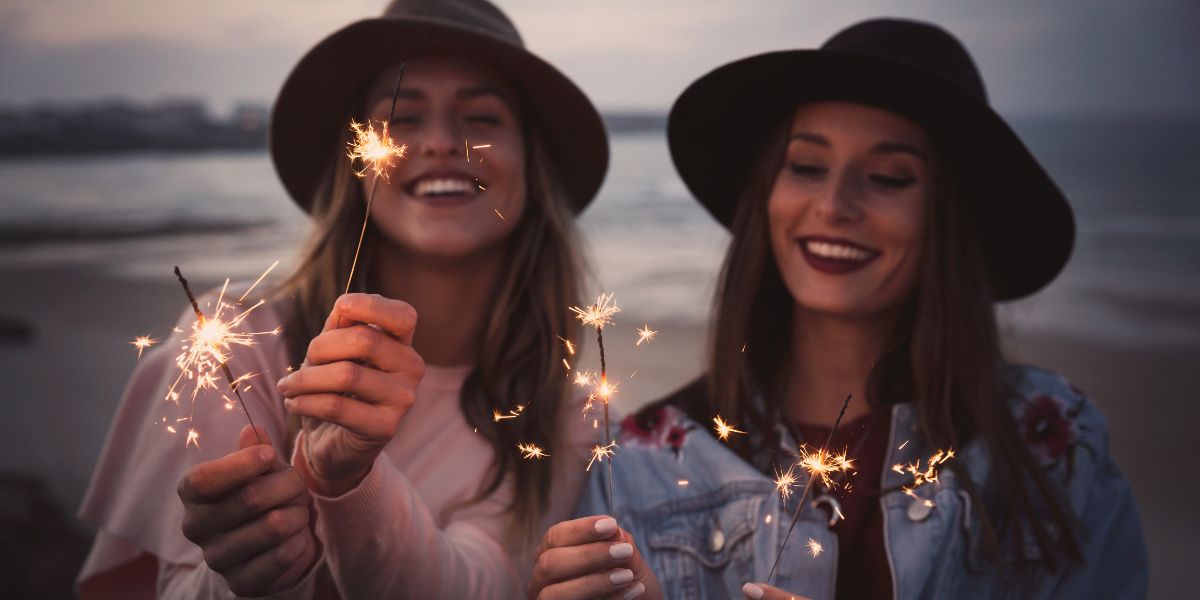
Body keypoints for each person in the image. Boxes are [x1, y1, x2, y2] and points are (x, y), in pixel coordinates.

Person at [529, 18, 1147, 600]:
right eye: (806, 166)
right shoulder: (649, 458)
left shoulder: (1052, 441)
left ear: (950, 216)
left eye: (889, 177)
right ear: (767, 192)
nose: (833, 204)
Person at [76, 0, 610, 597]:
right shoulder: (238, 342)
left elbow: (481, 587)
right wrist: (247, 578)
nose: (441, 142)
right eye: (401, 118)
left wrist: (346, 479)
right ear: (355, 162)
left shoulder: (563, 412)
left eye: (483, 118)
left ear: (532, 162)